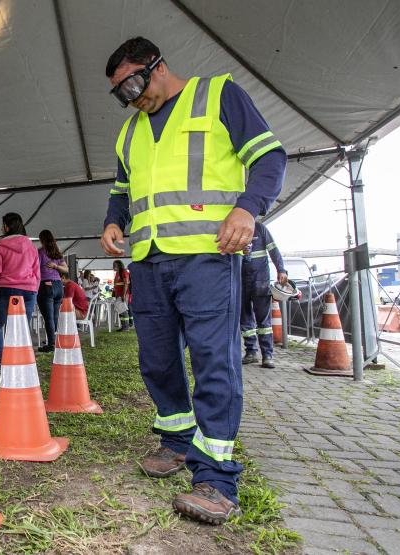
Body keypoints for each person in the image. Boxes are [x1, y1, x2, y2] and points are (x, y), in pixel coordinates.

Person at [100, 37, 286, 524]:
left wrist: (248, 209)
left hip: (207, 255)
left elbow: (270, 158)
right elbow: (122, 189)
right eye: (119, 94)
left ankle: (217, 478)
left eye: (133, 84)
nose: (130, 99)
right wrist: (113, 221)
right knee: (157, 360)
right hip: (148, 259)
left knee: (213, 359)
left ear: (157, 66)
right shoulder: (129, 134)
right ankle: (177, 441)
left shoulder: (218, 95)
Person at [0, 213, 40, 373]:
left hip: (7, 288)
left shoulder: (0, 246)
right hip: (29, 290)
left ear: (7, 227)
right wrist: (34, 288)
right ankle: (20, 362)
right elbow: (37, 272)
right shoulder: (31, 246)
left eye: (3, 225)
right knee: (21, 327)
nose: (1, 228)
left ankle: (1, 363)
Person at [241, 222, 288, 368]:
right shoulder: (235, 228)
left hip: (260, 281)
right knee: (245, 320)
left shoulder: (260, 229)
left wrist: (281, 270)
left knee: (264, 321)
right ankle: (251, 352)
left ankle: (267, 355)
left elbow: (273, 250)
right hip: (241, 281)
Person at [37, 229, 68, 353]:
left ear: (41, 240)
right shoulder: (57, 253)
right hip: (59, 286)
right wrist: (56, 266)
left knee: (48, 318)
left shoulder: (40, 252)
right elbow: (66, 269)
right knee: (54, 316)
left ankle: (51, 344)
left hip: (46, 285)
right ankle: (53, 339)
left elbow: (35, 269)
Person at [112, 260, 132, 329]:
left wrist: (123, 294)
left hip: (123, 294)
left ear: (119, 265)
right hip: (118, 294)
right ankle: (123, 326)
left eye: (115, 265)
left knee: (123, 310)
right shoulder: (117, 273)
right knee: (120, 310)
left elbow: (126, 283)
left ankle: (126, 327)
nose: (113, 267)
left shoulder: (124, 271)